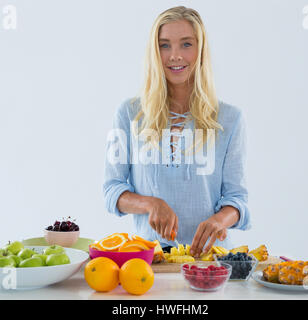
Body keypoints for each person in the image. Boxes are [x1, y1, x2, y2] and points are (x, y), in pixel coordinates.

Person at [103, 6, 250, 257]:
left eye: (186, 44)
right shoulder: (129, 113)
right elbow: (112, 190)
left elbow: (237, 200)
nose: (175, 56)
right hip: (149, 260)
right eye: (164, 45)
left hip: (210, 261)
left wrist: (219, 221)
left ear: (200, 50)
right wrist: (150, 203)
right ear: (154, 52)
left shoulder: (230, 119)